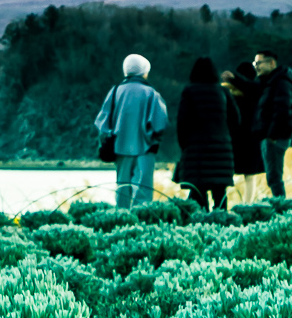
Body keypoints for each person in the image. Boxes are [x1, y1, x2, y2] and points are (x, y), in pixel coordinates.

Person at [94, 54, 170, 206]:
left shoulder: (115, 91)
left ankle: (121, 223)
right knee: (143, 193)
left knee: (122, 191)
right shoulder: (151, 93)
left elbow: (102, 123)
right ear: (144, 71)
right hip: (145, 149)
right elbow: (161, 123)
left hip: (120, 149)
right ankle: (141, 225)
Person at [174, 55, 235, 210]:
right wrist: (227, 139)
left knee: (198, 194)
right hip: (221, 151)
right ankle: (223, 227)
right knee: (220, 194)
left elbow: (182, 122)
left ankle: (202, 229)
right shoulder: (223, 92)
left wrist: (185, 146)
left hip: (196, 153)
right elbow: (236, 120)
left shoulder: (189, 91)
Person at [252, 48, 292, 198]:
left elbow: (282, 110)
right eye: (254, 63)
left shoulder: (281, 81)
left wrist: (272, 135)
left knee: (274, 177)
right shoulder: (271, 82)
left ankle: (282, 208)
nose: (256, 66)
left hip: (275, 138)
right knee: (273, 176)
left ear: (271, 63)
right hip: (272, 137)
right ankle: (281, 207)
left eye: (259, 63)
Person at [222, 58, 264, 204]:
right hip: (252, 139)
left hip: (232, 139)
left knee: (226, 174)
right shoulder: (256, 93)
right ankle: (248, 205)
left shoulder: (227, 93)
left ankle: (222, 204)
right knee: (250, 176)